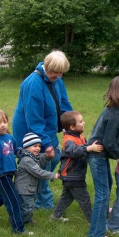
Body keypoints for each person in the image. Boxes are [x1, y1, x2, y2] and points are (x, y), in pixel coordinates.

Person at [12, 50, 73, 210]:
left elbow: (64, 103)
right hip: (30, 131)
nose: (58, 76)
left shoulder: (57, 80)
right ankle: (43, 203)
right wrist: (47, 144)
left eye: (61, 73)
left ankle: (37, 194)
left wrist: (69, 125)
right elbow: (34, 120)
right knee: (41, 163)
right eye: (55, 72)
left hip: (47, 127)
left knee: (54, 158)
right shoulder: (33, 83)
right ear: (47, 66)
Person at [87, 76, 119, 237]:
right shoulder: (116, 114)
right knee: (103, 194)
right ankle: (96, 235)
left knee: (106, 186)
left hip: (99, 155)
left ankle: (103, 219)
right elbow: (108, 142)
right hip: (98, 155)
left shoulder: (117, 109)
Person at [0, 109, 32, 235]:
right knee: (14, 200)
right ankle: (18, 229)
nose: (3, 125)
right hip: (2, 176)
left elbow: (15, 150)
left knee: (4, 195)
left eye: (5, 122)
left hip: (12, 173)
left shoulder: (10, 138)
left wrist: (26, 153)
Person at [50, 111, 103, 223]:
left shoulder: (81, 138)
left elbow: (86, 146)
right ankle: (94, 222)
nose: (84, 123)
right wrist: (89, 148)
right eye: (80, 121)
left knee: (67, 197)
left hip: (74, 175)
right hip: (71, 175)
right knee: (84, 199)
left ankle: (55, 216)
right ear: (72, 127)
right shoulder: (68, 140)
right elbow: (74, 151)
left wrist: (92, 145)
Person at [15, 133, 60, 224]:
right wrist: (53, 175)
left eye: (39, 146)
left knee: (30, 206)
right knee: (27, 208)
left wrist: (48, 157)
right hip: (24, 189)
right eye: (35, 146)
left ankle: (28, 220)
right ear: (26, 147)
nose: (38, 148)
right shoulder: (26, 160)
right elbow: (38, 172)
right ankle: (19, 222)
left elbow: (41, 161)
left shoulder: (33, 157)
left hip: (30, 189)